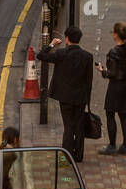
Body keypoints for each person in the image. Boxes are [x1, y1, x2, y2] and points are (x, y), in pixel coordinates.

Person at [36, 26, 94, 163]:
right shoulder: (87, 57)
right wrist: (88, 100)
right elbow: (89, 80)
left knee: (68, 126)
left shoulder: (61, 54)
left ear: (67, 38)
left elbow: (41, 56)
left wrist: (51, 44)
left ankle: (67, 156)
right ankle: (78, 155)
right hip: (80, 97)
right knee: (79, 126)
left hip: (65, 96)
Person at [96, 22, 126, 156]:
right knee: (123, 115)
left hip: (116, 87)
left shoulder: (114, 52)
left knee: (110, 113)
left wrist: (102, 71)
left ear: (116, 35)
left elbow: (113, 73)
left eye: (112, 32)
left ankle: (112, 145)